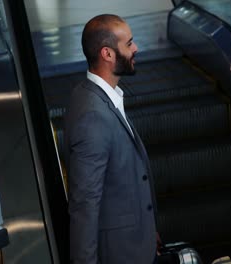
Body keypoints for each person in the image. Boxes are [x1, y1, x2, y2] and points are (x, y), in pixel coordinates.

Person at [63, 14, 160, 264]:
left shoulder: (96, 95)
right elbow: (84, 203)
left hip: (135, 245)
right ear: (107, 54)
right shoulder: (92, 115)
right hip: (121, 255)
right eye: (129, 44)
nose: (135, 48)